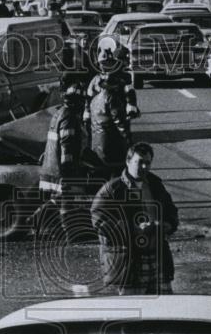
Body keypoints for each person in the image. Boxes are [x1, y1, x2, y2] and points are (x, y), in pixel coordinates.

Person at [90, 141, 179, 295]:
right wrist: (132, 230)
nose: (144, 167)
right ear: (128, 161)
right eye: (139, 162)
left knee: (164, 310)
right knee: (134, 311)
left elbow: (171, 210)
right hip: (129, 261)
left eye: (147, 163)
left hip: (157, 257)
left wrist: (167, 225)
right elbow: (99, 220)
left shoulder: (155, 185)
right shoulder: (113, 190)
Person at [39, 82, 89, 240]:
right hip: (62, 170)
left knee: (57, 200)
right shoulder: (69, 117)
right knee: (67, 202)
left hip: (51, 167)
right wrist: (68, 173)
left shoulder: (59, 113)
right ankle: (71, 234)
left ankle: (42, 224)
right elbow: (67, 145)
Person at [87, 70, 138, 175]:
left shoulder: (94, 100)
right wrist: (128, 138)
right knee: (120, 172)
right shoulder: (112, 99)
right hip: (111, 145)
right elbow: (120, 122)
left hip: (96, 146)